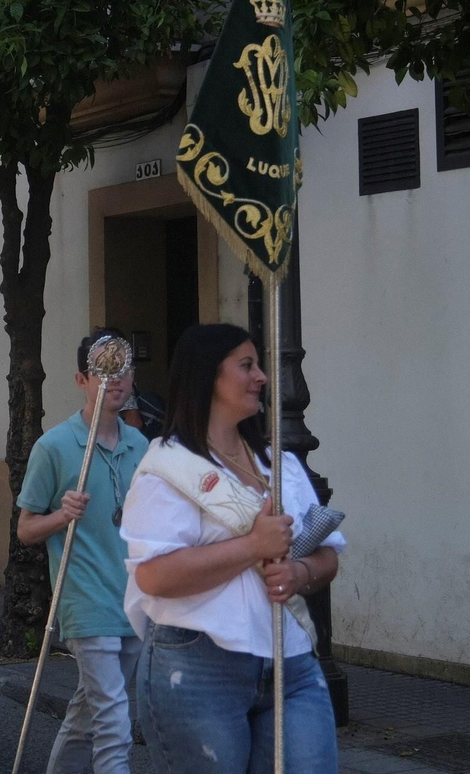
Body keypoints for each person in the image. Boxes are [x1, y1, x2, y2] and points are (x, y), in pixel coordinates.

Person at [122, 324, 344, 774]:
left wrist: (300, 574)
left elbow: (328, 556)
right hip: (199, 668)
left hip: (291, 663)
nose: (261, 376)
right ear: (208, 377)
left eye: (258, 365)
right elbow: (155, 576)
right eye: (246, 366)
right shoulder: (166, 467)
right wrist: (252, 547)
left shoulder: (278, 461)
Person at [16, 329, 147, 774]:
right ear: (81, 379)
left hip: (132, 598)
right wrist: (60, 515)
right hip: (83, 600)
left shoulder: (141, 446)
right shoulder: (53, 446)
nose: (116, 379)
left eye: (123, 368)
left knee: (89, 711)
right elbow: (26, 529)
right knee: (114, 720)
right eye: (103, 370)